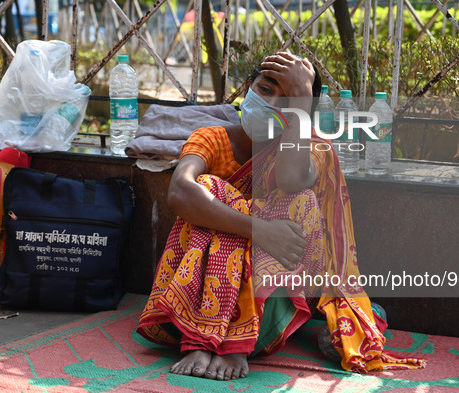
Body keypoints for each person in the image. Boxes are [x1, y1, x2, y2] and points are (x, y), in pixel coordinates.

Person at [137, 52, 425, 380]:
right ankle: (203, 336)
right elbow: (179, 193)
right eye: (264, 89)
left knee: (297, 200)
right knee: (206, 188)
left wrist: (303, 99)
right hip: (196, 298)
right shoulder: (214, 139)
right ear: (247, 88)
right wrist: (258, 229)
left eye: (288, 99)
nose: (272, 102)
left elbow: (290, 180)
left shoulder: (312, 149)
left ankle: (237, 341)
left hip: (270, 306)